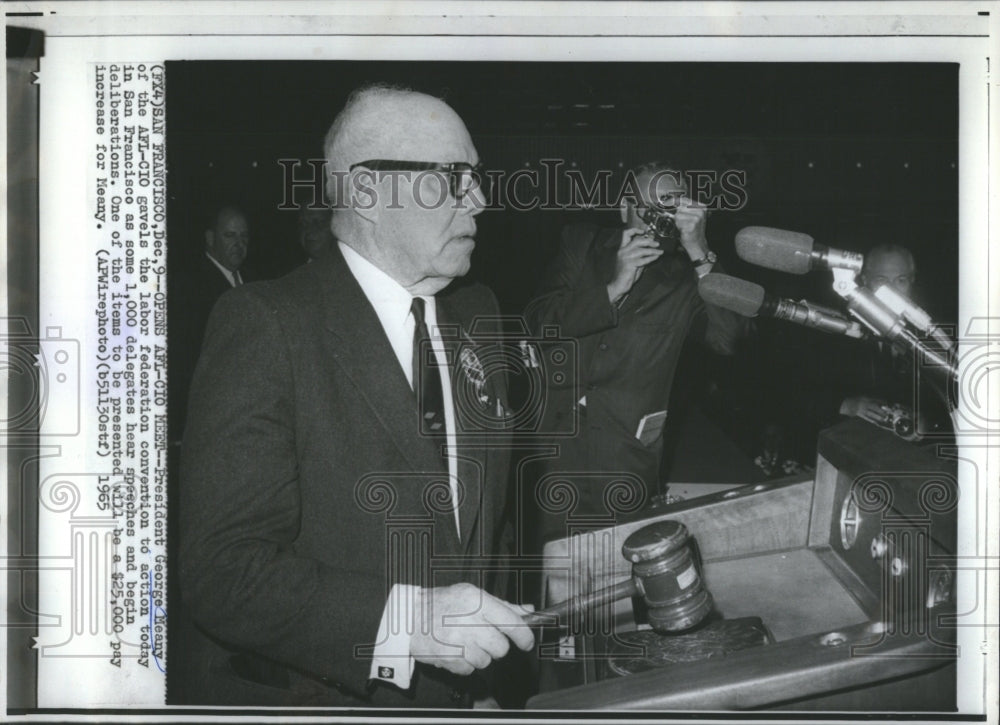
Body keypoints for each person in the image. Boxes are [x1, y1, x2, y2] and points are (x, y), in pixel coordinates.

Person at [175, 85, 534, 707]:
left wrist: (479, 682)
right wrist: (406, 623)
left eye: (476, 178)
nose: (479, 199)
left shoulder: (479, 314)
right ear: (367, 193)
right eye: (454, 177)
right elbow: (223, 572)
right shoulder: (267, 324)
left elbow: (483, 528)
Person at [525, 161, 748, 541]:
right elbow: (537, 321)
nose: (660, 220)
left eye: (672, 208)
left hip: (626, 459)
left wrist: (701, 250)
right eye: (651, 208)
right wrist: (612, 288)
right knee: (550, 576)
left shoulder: (689, 277)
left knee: (622, 577)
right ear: (625, 207)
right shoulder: (582, 243)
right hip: (553, 451)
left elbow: (729, 339)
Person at [837, 243, 950, 438]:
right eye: (881, 280)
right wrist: (847, 405)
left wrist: (929, 423)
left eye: (900, 280)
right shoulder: (838, 326)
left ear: (912, 281)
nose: (891, 291)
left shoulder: (933, 336)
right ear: (864, 281)